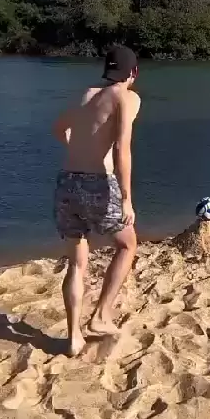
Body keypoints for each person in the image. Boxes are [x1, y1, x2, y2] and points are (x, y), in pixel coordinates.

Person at [52, 45, 141, 356]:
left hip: (67, 182)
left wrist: (78, 150)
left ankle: (73, 337)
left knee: (76, 263)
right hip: (97, 184)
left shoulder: (85, 94)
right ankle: (101, 316)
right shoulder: (126, 97)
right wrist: (127, 199)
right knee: (127, 244)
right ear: (133, 72)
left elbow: (58, 129)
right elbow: (121, 150)